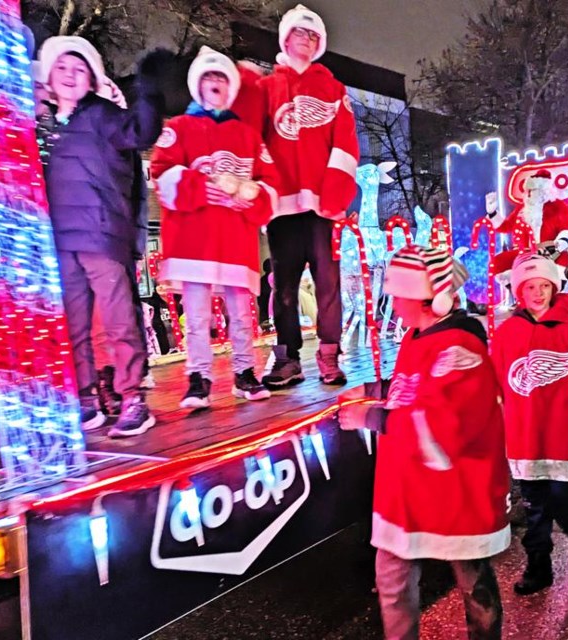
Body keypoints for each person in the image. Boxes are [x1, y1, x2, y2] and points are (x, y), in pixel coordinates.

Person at [338, 246, 510, 640]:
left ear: (432, 299)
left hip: (455, 491)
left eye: (400, 294)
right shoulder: (420, 335)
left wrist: (369, 416)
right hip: (406, 489)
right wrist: (371, 390)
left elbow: (441, 422)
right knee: (392, 580)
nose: (394, 302)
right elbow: (413, 388)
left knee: (473, 582)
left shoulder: (460, 349)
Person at [35, 36, 167, 437]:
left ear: (92, 78)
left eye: (79, 69)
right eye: (63, 68)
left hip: (102, 233)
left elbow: (141, 132)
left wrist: (150, 89)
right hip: (61, 239)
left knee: (117, 319)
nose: (71, 76)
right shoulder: (43, 127)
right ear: (49, 76)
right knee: (73, 325)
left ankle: (132, 399)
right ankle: (86, 397)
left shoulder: (102, 115)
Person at [151, 47, 279, 408]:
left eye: (221, 78)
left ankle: (244, 373)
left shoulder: (249, 136)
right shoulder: (177, 129)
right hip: (195, 239)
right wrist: (197, 186)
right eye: (208, 77)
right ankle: (199, 377)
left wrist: (252, 198)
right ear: (197, 85)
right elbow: (161, 174)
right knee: (196, 313)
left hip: (235, 239)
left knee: (241, 312)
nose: (215, 84)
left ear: (231, 88)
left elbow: (269, 182)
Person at [491, 253, 568, 596]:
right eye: (530, 286)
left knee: (563, 499)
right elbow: (494, 387)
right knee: (535, 507)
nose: (537, 293)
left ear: (554, 287)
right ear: (520, 290)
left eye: (543, 286)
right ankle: (538, 566)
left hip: (564, 438)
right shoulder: (507, 335)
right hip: (525, 439)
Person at [255, 4, 360, 388]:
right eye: (300, 32)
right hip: (283, 207)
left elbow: (346, 142)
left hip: (323, 207)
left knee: (328, 284)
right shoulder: (265, 89)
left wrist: (334, 191)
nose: (307, 38)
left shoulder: (333, 90)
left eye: (314, 34)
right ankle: (287, 359)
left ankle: (330, 355)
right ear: (285, 38)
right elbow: (253, 141)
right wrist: (264, 188)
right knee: (283, 285)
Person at [485, 169, 568, 268]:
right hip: (525, 259)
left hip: (552, 259)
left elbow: (567, 230)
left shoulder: (558, 206)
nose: (528, 194)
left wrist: (555, 248)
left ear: (545, 191)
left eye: (533, 190)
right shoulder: (522, 209)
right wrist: (492, 212)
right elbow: (505, 227)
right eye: (528, 191)